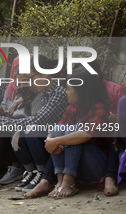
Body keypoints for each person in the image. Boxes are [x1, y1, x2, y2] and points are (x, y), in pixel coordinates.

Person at [0, 55, 67, 191]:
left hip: (54, 138)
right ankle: (31, 172)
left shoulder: (58, 93)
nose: (29, 82)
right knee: (17, 134)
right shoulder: (44, 91)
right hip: (43, 135)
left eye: (31, 77)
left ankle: (41, 174)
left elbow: (37, 119)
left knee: (28, 132)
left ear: (45, 75)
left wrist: (4, 121)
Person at [45, 69, 110, 198]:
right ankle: (60, 181)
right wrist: (50, 140)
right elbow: (56, 128)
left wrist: (57, 141)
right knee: (58, 130)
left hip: (95, 165)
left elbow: (87, 134)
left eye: (69, 89)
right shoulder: (73, 107)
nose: (66, 92)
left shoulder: (99, 108)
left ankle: (69, 182)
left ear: (81, 91)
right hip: (78, 165)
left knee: (73, 131)